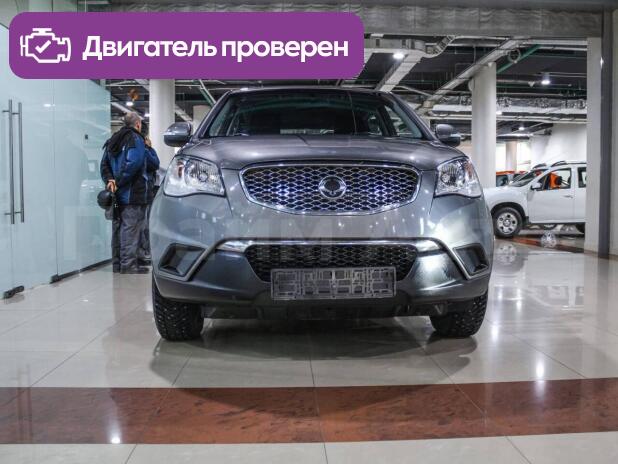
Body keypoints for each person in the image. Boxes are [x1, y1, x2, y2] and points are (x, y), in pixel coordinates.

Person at [100, 112, 149, 274]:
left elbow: (104, 165)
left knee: (117, 227)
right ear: (138, 124)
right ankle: (128, 265)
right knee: (130, 229)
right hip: (132, 194)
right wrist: (119, 182)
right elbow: (134, 163)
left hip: (115, 195)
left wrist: (111, 181)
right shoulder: (136, 139)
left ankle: (117, 264)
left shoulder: (112, 139)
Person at [138, 130, 160, 266]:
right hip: (142, 192)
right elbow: (155, 163)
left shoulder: (147, 151)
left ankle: (144, 252)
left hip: (146, 192)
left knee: (145, 223)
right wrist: (147, 148)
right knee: (143, 224)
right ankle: (142, 253)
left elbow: (155, 164)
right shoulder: (144, 151)